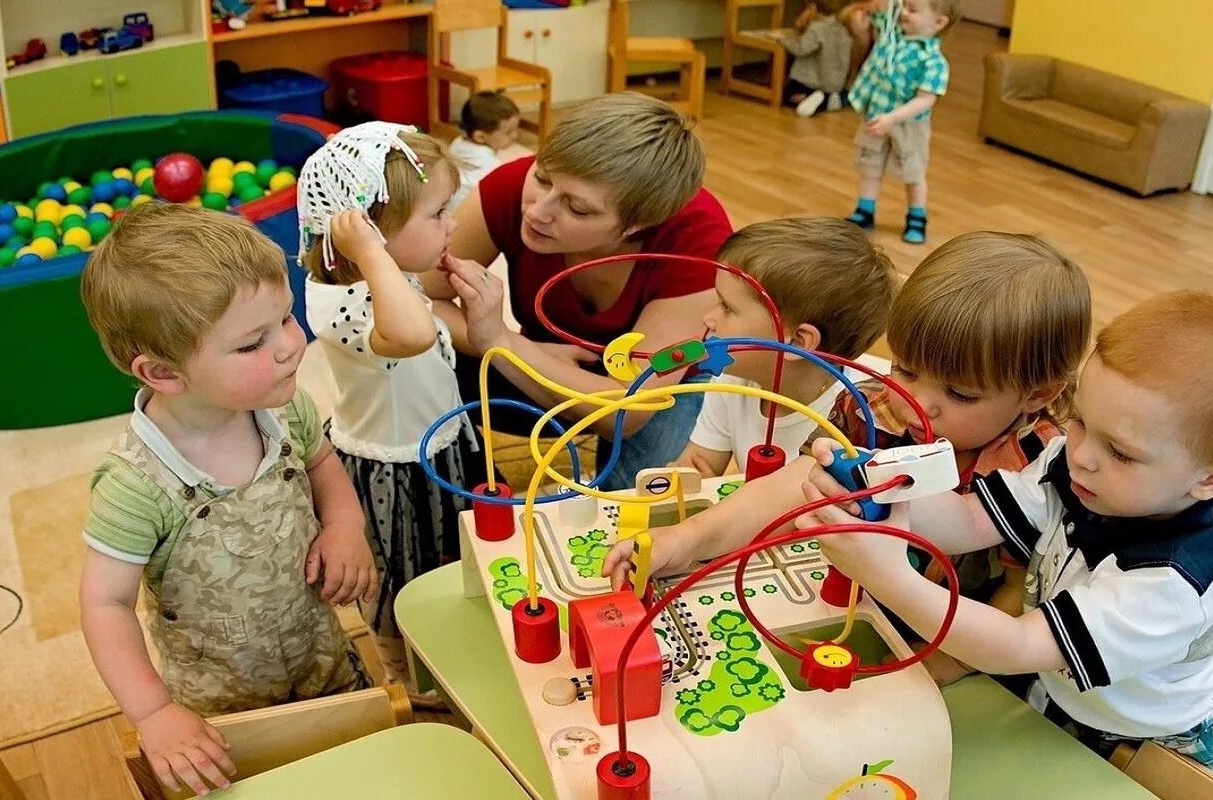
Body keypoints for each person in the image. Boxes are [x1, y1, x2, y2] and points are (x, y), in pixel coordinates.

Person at [801, 290, 1213, 773]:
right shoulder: (1078, 468)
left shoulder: (1169, 582)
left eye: (1120, 452)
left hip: (1139, 739)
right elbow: (970, 520)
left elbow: (1017, 646)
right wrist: (879, 480)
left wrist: (889, 577)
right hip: (1059, 685)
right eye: (1080, 422)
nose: (1081, 454)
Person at [604, 232, 1092, 655]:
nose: (916, 403)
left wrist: (940, 667)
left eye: (959, 394)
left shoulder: (1041, 470)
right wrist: (684, 541)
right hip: (853, 604)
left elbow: (1018, 596)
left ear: (1038, 395)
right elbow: (793, 486)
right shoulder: (872, 408)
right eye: (905, 369)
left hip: (957, 646)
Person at [78, 204, 375, 796]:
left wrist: (344, 523)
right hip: (222, 706)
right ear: (162, 372)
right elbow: (104, 605)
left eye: (287, 318)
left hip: (321, 655)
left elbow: (322, 463)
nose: (292, 346)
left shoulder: (286, 406)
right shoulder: (134, 485)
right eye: (251, 344)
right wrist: (154, 714)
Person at [423, 92, 734, 489]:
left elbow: (629, 410)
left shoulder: (697, 242)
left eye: (578, 209)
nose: (537, 210)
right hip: (550, 363)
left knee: (639, 501)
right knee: (409, 351)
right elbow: (418, 296)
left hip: (662, 389)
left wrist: (503, 343)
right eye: (542, 178)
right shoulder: (508, 188)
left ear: (638, 225)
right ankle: (468, 491)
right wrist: (501, 345)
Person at [298, 122, 486, 699]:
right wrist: (375, 255)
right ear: (369, 238)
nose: (452, 224)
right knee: (405, 576)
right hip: (394, 470)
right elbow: (410, 336)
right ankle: (408, 675)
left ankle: (453, 644)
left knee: (453, 560)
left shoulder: (387, 279)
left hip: (439, 444)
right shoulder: (341, 300)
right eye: (436, 215)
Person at [674, 217, 897, 477]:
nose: (708, 318)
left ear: (798, 342)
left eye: (727, 308)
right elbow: (698, 470)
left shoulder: (853, 421)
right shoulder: (733, 378)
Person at [844, 0, 960, 243]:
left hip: (908, 125)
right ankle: (865, 209)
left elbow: (925, 100)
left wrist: (893, 118)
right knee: (870, 163)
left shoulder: (934, 61)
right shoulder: (892, 33)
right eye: (905, 6)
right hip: (877, 114)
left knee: (913, 171)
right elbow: (879, 10)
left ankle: (916, 215)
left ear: (938, 22)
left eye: (913, 10)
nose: (904, 13)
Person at [767, 0, 855, 117]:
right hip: (835, 84)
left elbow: (801, 50)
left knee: (785, 94)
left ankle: (814, 99)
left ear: (813, 8)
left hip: (812, 82)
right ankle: (829, 99)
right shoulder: (842, 28)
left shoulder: (816, 29)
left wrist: (781, 40)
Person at [447, 90, 522, 212]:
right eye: (508, 132)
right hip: (466, 215)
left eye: (516, 129)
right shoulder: (492, 167)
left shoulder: (458, 142)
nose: (515, 136)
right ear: (480, 137)